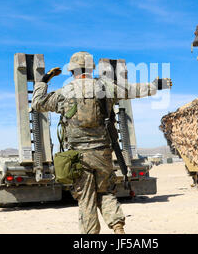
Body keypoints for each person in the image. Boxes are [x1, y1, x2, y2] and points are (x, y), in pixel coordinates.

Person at [31, 51, 172, 234]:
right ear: (91, 69)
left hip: (78, 157)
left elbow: (37, 103)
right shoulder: (105, 87)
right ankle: (118, 227)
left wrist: (44, 80)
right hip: (102, 154)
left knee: (86, 198)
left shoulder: (64, 92)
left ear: (72, 70)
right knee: (106, 192)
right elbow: (132, 90)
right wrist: (155, 85)